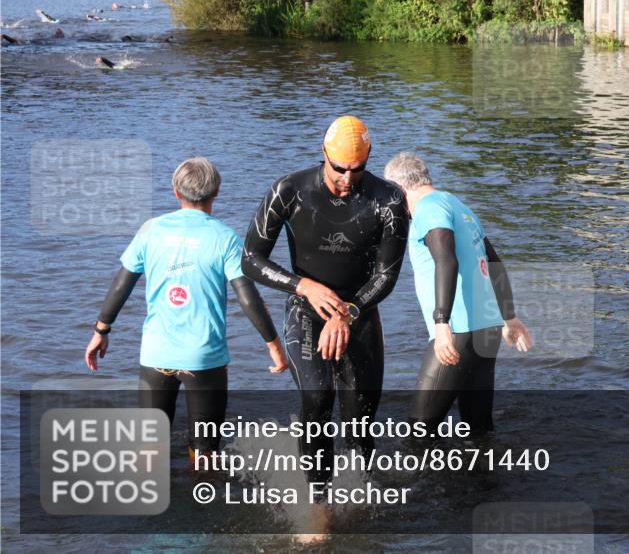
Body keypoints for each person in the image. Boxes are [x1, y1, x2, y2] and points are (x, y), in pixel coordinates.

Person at [242, 116, 408, 486]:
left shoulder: (389, 200)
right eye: (339, 169)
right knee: (317, 401)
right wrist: (304, 286)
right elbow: (251, 259)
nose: (348, 179)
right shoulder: (290, 190)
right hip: (306, 311)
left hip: (359, 313)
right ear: (324, 155)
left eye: (358, 169)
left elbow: (387, 275)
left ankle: (362, 494)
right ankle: (318, 501)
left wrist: (348, 313)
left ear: (369, 159)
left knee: (360, 421)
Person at [85, 157, 289, 459]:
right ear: (216, 193)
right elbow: (248, 297)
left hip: (156, 355)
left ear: (175, 191)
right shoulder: (225, 239)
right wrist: (274, 345)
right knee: (205, 452)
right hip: (204, 359)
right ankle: (201, 497)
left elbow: (121, 285)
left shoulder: (151, 230)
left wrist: (101, 330)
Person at [383, 153, 532, 433]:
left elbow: (446, 260)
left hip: (459, 329)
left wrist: (442, 324)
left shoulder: (428, 209)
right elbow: (494, 261)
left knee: (418, 431)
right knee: (478, 429)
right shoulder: (456, 203)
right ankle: (481, 477)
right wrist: (508, 317)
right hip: (486, 328)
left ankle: (415, 477)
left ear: (399, 190)